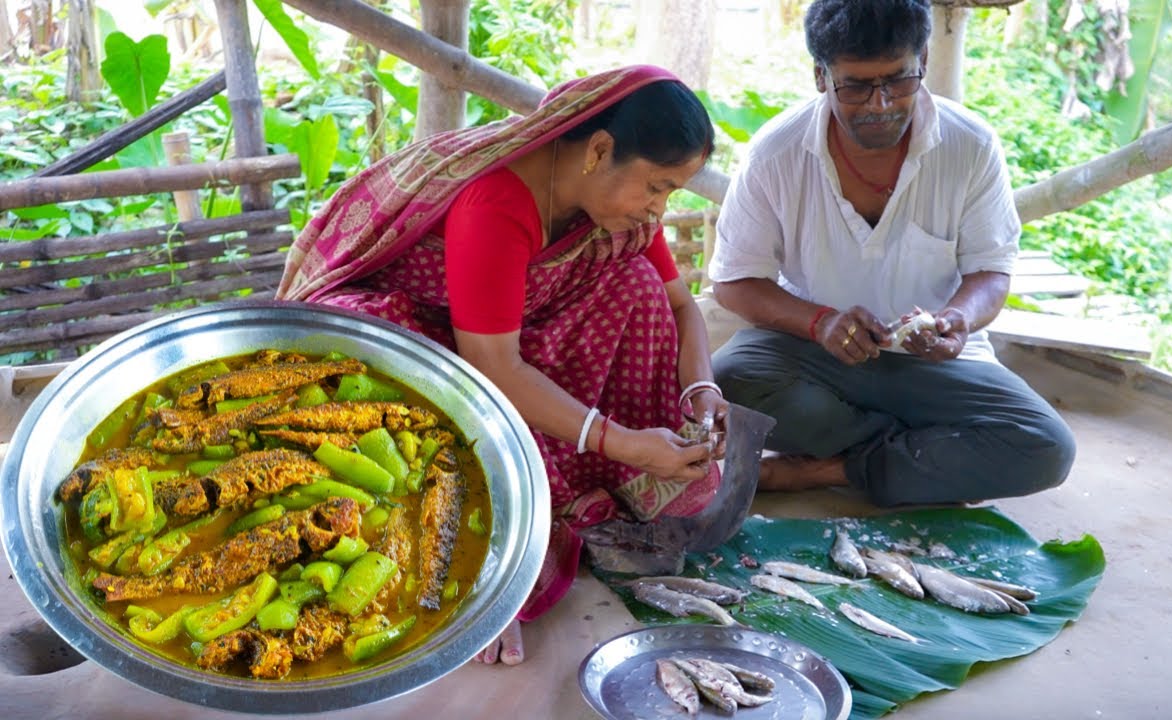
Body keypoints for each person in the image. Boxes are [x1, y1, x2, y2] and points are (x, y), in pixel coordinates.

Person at [277, 66, 728, 666]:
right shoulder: (497, 199)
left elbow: (679, 305)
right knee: (388, 357)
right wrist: (625, 442)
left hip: (498, 336)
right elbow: (491, 371)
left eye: (671, 193)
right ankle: (476, 547)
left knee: (636, 280)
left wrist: (701, 386)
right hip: (427, 344)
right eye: (657, 187)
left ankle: (590, 482)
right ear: (598, 150)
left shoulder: (618, 214)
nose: (657, 209)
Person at [708, 0, 1075, 506]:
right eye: (856, 86)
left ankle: (831, 468)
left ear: (922, 58)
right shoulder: (776, 152)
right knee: (730, 378)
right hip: (815, 358)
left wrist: (958, 319)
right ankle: (921, 457)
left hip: (937, 367)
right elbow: (733, 282)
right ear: (820, 75)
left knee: (1047, 448)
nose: (881, 104)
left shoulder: (970, 146)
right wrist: (820, 323)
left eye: (899, 81)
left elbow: (990, 271)